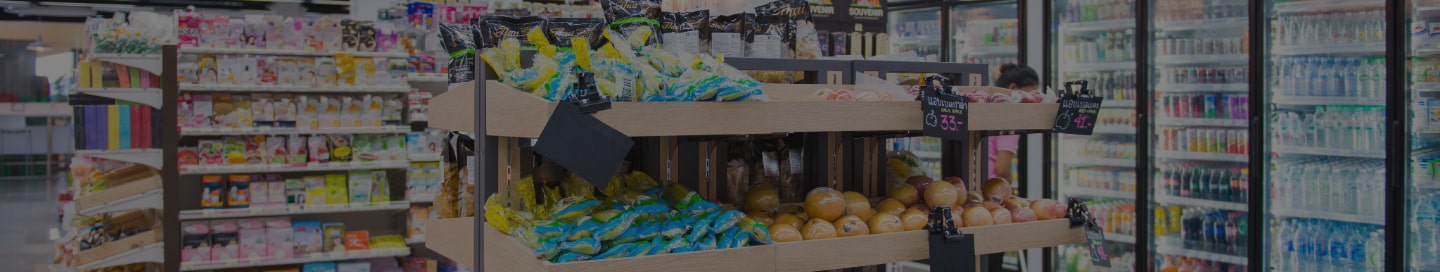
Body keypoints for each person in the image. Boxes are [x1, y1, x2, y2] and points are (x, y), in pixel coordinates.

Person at [988, 63, 1039, 181]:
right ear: (1013, 89)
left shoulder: (990, 109)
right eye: (1031, 94)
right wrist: (1009, 189)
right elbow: (1002, 169)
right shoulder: (1011, 117)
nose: (1034, 100)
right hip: (993, 187)